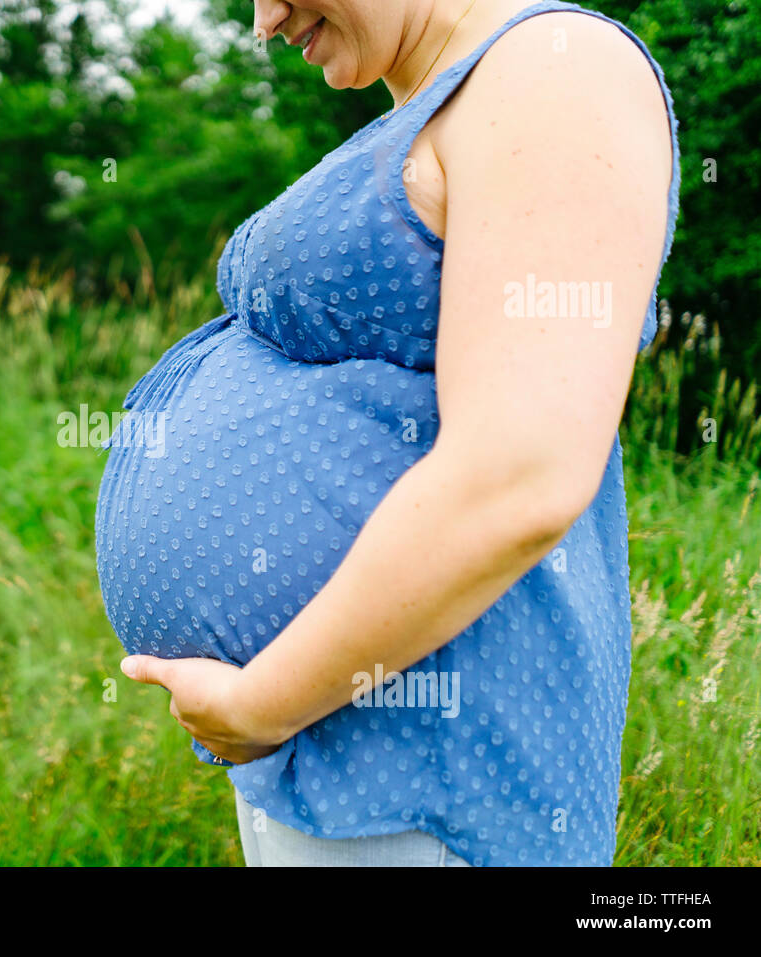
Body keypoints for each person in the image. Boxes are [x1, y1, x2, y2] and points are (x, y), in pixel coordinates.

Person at [95, 0, 680, 866]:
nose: (264, 20)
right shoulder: (442, 98)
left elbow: (521, 474)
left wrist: (260, 705)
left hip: (432, 777)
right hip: (333, 759)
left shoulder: (557, 68)